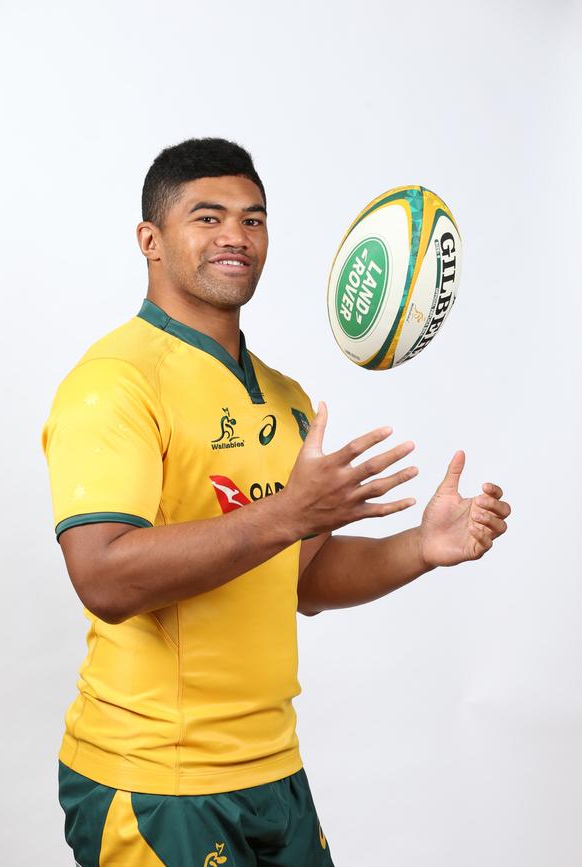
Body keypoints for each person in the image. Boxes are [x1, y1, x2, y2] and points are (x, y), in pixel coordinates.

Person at [41, 137, 511, 867]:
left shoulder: (287, 399)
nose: (236, 235)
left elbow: (301, 578)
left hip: (272, 769)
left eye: (253, 219)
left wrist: (419, 547)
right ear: (150, 240)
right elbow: (102, 577)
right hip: (155, 782)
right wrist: (286, 512)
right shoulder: (114, 383)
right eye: (207, 216)